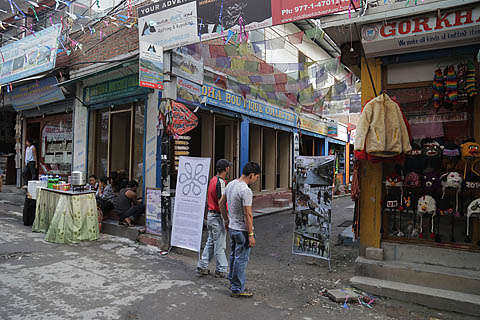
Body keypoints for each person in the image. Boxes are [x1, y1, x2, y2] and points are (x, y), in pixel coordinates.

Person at [224, 161, 260, 298]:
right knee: (241, 259)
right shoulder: (245, 190)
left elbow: (222, 202)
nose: (256, 180)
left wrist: (226, 220)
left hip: (232, 227)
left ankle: (233, 281)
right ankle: (237, 288)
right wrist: (250, 234)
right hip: (242, 230)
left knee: (234, 255)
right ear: (251, 175)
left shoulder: (231, 184)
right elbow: (248, 214)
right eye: (256, 177)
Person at [197, 159, 232, 278]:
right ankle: (221, 269)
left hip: (211, 215)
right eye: (228, 167)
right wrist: (226, 219)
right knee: (220, 244)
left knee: (211, 241)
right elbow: (221, 203)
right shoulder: (220, 182)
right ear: (226, 168)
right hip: (217, 216)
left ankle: (203, 265)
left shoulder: (212, 180)